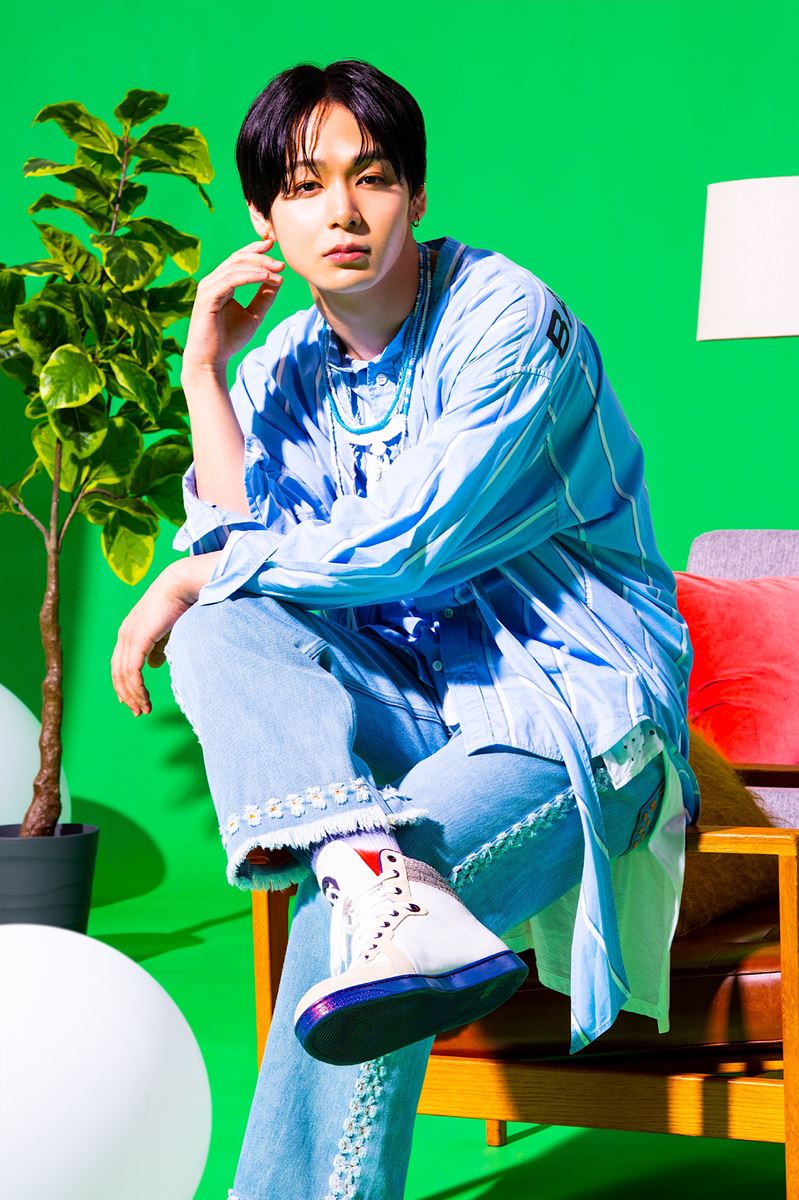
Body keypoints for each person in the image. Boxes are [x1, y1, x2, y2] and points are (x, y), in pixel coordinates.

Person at [110, 57, 701, 1200]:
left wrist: (189, 575)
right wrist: (203, 375)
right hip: (411, 710)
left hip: (564, 713)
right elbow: (239, 563)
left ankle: (367, 884)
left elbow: (413, 542)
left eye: (371, 177)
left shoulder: (507, 319)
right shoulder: (281, 367)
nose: (341, 211)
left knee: (357, 933)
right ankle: (365, 861)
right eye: (304, 186)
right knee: (223, 630)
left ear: (416, 195)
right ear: (264, 219)